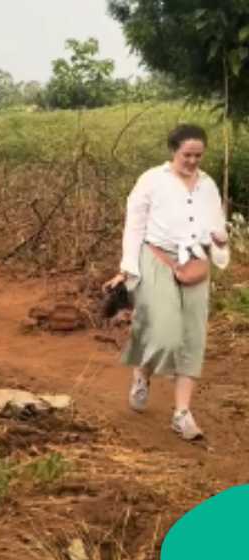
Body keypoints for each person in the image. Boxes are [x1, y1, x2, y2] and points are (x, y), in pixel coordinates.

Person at [103, 124, 230, 441]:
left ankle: (182, 414)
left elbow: (217, 226)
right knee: (165, 335)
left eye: (198, 155)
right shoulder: (152, 181)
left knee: (192, 337)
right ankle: (142, 372)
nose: (193, 161)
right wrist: (127, 269)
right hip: (156, 257)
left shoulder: (208, 185)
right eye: (187, 154)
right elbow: (134, 226)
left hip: (195, 262)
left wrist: (218, 244)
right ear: (173, 150)